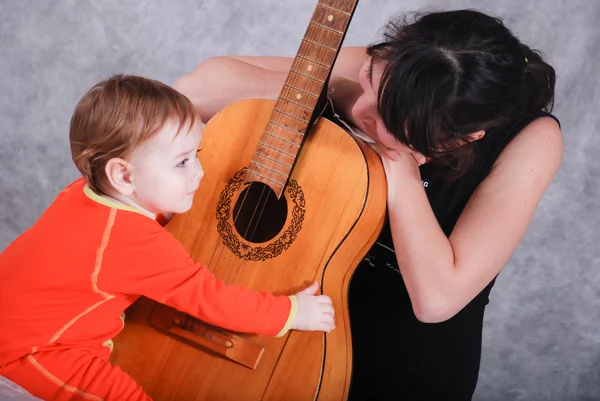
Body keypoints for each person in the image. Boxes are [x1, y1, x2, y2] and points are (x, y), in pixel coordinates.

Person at [172, 9, 563, 401]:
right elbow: (193, 89)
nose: (361, 111)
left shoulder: (533, 139)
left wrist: (397, 169)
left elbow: (436, 299)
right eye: (370, 82)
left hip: (392, 366)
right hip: (283, 328)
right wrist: (330, 91)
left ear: (458, 140)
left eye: (386, 120)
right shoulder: (395, 63)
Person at [0, 74, 335, 401]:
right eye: (182, 163)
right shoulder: (135, 244)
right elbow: (212, 299)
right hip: (32, 349)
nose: (199, 171)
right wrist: (290, 312)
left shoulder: (82, 193)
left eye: (197, 153)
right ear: (123, 176)